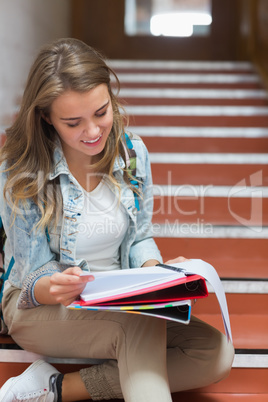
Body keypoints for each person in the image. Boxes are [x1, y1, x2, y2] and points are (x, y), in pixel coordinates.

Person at [0, 38, 234, 402]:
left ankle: (57, 390)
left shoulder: (133, 152)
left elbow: (140, 238)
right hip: (42, 309)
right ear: (46, 117)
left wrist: (159, 277)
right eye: (73, 122)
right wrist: (55, 285)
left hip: (120, 303)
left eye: (101, 112)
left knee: (215, 354)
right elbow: (35, 275)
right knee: (138, 325)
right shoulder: (21, 171)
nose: (93, 132)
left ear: (111, 96)